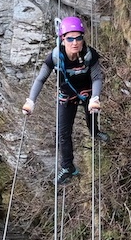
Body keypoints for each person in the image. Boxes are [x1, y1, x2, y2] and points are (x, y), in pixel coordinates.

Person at [23, 16, 108, 185]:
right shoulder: (55, 57)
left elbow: (97, 76)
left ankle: (94, 132)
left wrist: (95, 98)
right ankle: (68, 167)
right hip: (67, 94)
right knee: (63, 133)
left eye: (78, 38)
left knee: (92, 115)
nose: (75, 42)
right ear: (63, 39)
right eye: (70, 38)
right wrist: (31, 101)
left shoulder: (89, 54)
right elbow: (40, 79)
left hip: (87, 92)